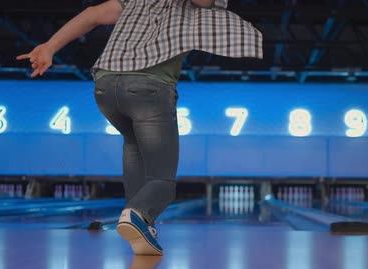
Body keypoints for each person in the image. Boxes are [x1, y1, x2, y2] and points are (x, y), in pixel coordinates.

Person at [17, 0, 262, 255]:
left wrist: (49, 47)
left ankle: (141, 225)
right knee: (162, 181)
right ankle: (138, 215)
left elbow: (91, 14)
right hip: (148, 87)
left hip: (105, 86)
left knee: (133, 143)